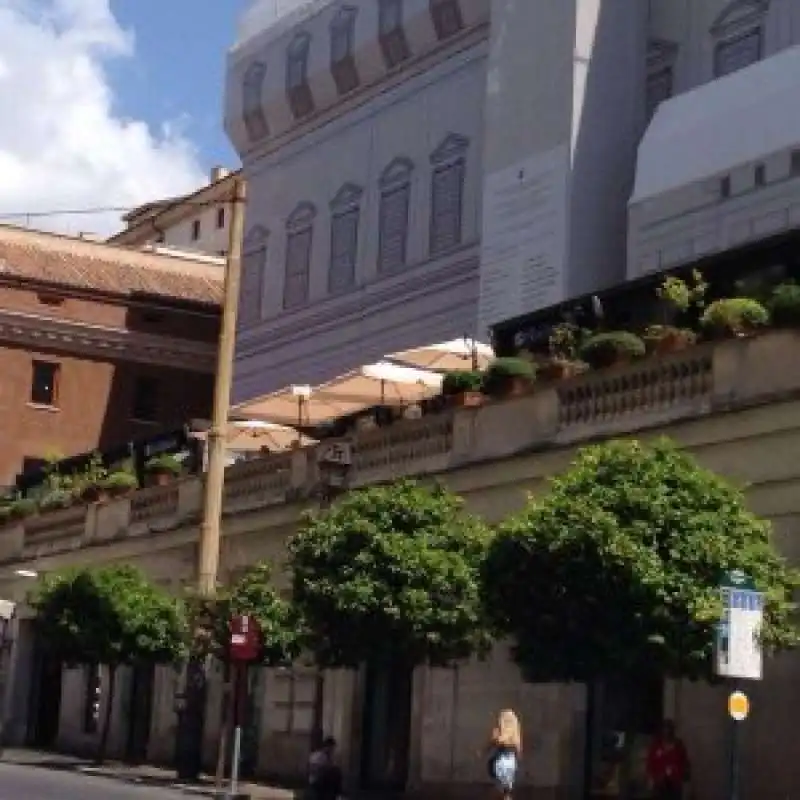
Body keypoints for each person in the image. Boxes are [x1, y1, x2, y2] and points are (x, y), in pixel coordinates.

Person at [646, 720, 690, 800]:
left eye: (669, 730)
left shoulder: (678, 745)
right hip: (659, 784)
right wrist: (651, 779)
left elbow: (685, 762)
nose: (667, 732)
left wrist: (683, 774)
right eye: (665, 730)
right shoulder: (656, 745)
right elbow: (650, 763)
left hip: (675, 784)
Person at [485, 709, 522, 800]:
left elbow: (491, 744)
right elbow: (519, 751)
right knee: (506, 792)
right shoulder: (515, 734)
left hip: (500, 761)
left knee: (497, 790)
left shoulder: (498, 732)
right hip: (511, 762)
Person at [308, 735, 342, 800]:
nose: (332, 750)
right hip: (317, 782)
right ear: (327, 746)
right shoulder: (318, 756)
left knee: (336, 771)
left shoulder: (329, 757)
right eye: (331, 748)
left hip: (325, 783)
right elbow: (313, 769)